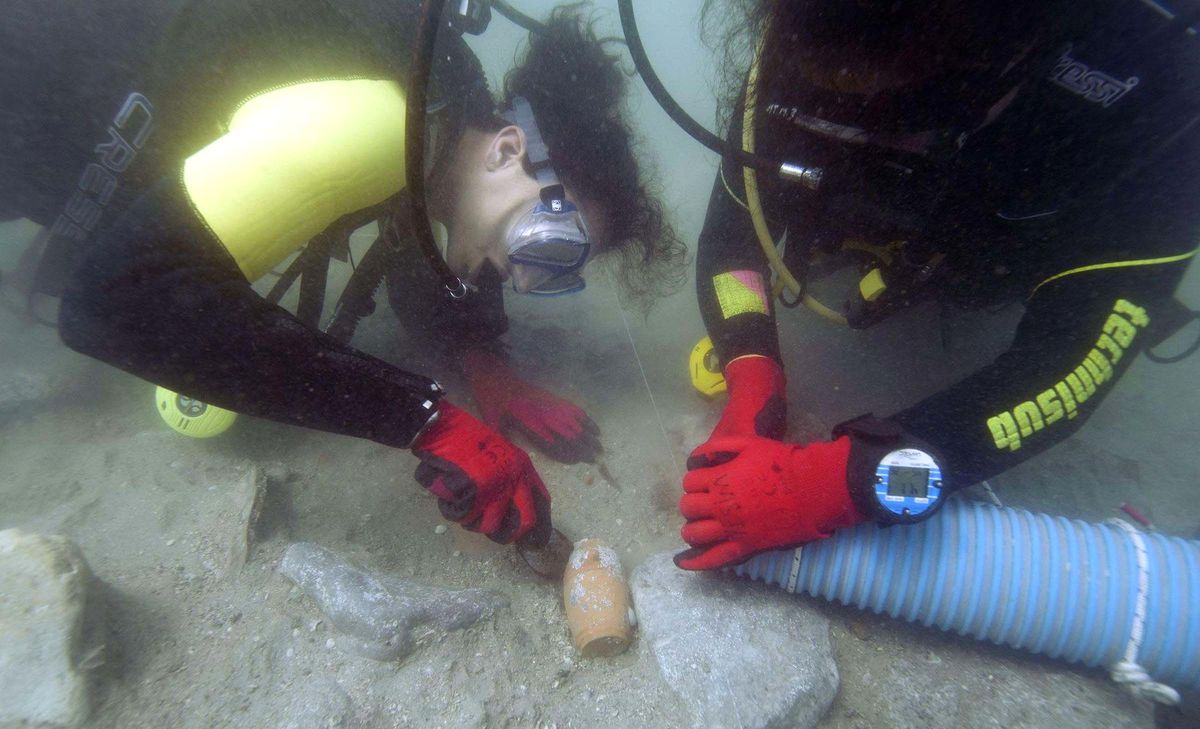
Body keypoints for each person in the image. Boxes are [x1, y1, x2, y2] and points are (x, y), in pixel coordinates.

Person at [0, 0, 682, 547]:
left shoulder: (441, 108)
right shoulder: (378, 128)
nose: (527, 280)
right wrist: (425, 419)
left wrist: (482, 363)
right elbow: (112, 300)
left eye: (559, 274)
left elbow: (410, 245)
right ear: (509, 151)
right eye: (552, 244)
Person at [677, 0, 1200, 570]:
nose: (856, 130)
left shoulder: (1165, 82)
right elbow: (735, 245)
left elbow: (1072, 364)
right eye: (832, 93)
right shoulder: (798, 31)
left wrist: (859, 476)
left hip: (998, 255)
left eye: (894, 106)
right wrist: (752, 370)